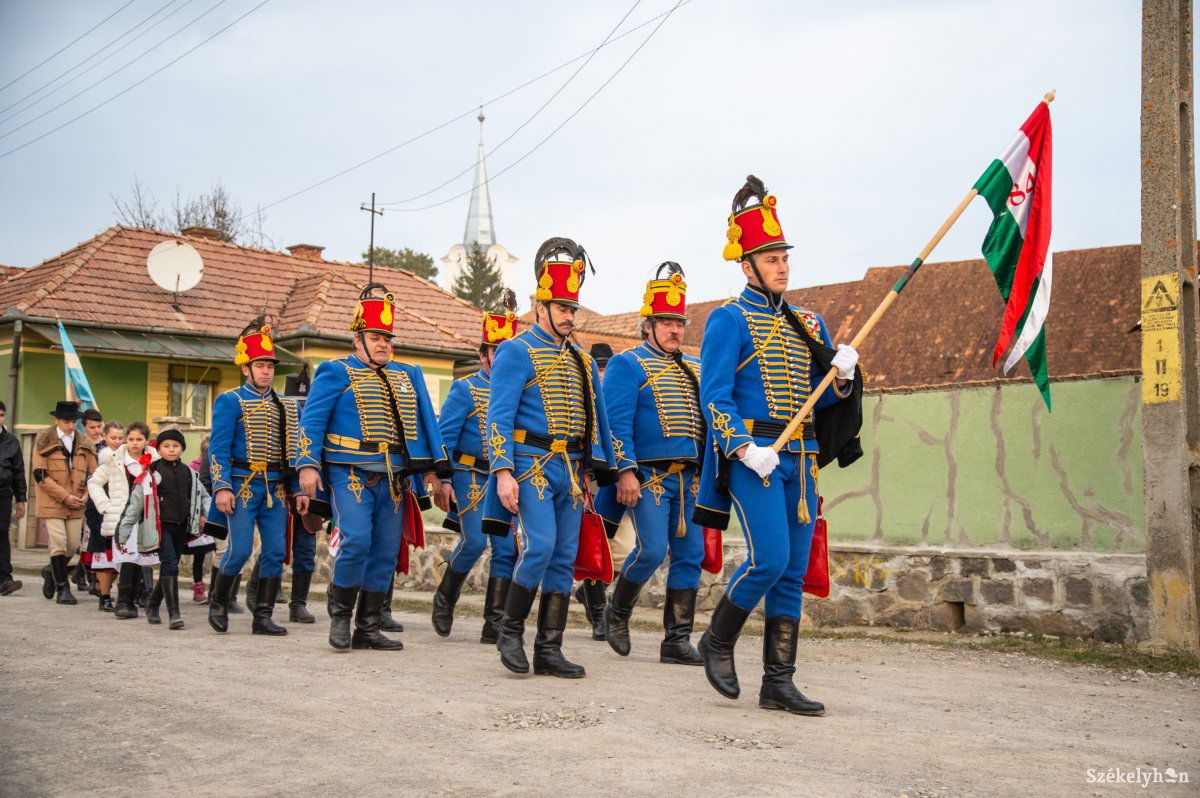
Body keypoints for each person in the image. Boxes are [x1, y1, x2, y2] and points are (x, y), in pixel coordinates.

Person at [694, 176, 863, 716]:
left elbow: (828, 401)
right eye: (770, 258)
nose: (782, 265)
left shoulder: (808, 322)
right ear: (747, 266)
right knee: (768, 559)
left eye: (784, 256)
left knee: (793, 568)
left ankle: (778, 681)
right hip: (756, 459)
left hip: (804, 459)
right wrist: (743, 448)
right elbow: (714, 396)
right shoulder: (728, 319)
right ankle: (717, 640)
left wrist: (842, 377)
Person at [481, 237, 617, 678]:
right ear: (541, 306)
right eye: (561, 308)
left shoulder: (579, 356)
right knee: (538, 546)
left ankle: (549, 648)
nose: (569, 316)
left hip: (572, 471)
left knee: (563, 556)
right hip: (530, 462)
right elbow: (497, 417)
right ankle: (509, 630)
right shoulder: (515, 351)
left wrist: (595, 468)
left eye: (572, 309)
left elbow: (596, 416)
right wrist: (502, 472)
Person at [297, 284, 450, 652]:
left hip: (395, 477)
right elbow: (312, 421)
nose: (383, 343)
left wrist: (432, 472)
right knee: (357, 541)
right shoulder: (335, 372)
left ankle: (367, 627)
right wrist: (306, 465)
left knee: (384, 551)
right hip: (348, 470)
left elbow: (424, 423)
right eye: (375, 336)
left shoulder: (406, 375)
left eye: (386, 337)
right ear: (358, 338)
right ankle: (340, 618)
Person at [596, 263, 706, 666]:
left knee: (690, 555)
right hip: (649, 478)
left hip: (690, 480)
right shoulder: (628, 364)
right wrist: (625, 470)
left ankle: (676, 641)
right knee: (652, 549)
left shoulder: (696, 367)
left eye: (679, 322)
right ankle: (617, 611)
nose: (676, 330)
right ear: (649, 325)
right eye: (666, 322)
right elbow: (616, 423)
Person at [205, 319, 310, 637]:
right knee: (239, 551)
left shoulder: (286, 407)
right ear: (246, 368)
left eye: (269, 365)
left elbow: (291, 454)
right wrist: (221, 487)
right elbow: (218, 449)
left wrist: (297, 490)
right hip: (241, 486)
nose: (265, 371)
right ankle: (218, 602)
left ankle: (262, 616)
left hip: (276, 489)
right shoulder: (229, 401)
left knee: (277, 551)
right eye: (259, 365)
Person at [430, 291, 520, 642]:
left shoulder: (520, 391)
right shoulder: (464, 389)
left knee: (506, 548)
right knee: (473, 542)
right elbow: (444, 439)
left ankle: (494, 622)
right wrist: (443, 480)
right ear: (483, 353)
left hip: (505, 476)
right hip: (469, 474)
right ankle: (445, 597)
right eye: (496, 350)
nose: (501, 357)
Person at [117, 429, 209, 629]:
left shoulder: (190, 474)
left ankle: (152, 604)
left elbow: (203, 499)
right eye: (166, 446)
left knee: (171, 565)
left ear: (182, 449)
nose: (171, 450)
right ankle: (174, 614)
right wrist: (123, 532)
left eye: (176, 446)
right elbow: (134, 506)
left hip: (181, 527)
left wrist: (213, 517)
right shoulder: (150, 474)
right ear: (158, 449)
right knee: (170, 565)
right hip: (159, 528)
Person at [89, 421, 157, 618]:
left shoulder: (154, 460)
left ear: (146, 440)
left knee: (139, 559)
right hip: (123, 517)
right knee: (127, 557)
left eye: (139, 439)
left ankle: (135, 598)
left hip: (146, 518)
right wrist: (105, 506)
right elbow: (94, 483)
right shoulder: (114, 459)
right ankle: (123, 601)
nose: (135, 443)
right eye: (131, 439)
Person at [33, 401, 97, 605]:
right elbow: (40, 475)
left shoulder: (84, 442)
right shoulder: (43, 441)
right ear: (56, 420)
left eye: (74, 421)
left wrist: (86, 494)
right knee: (59, 543)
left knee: (73, 544)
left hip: (77, 502)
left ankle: (50, 571)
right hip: (52, 501)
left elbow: (93, 474)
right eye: (67, 421)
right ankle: (63, 588)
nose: (71, 425)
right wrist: (64, 496)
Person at [572, 343, 615, 640]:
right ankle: (599, 614)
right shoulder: (584, 394)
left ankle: (586, 592)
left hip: (617, 477)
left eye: (606, 368)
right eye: (598, 368)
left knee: (622, 548)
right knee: (592, 543)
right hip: (588, 477)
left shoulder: (620, 392)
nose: (602, 374)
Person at [84, 421, 125, 610]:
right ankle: (105, 597)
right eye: (113, 437)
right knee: (104, 556)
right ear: (105, 437)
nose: (117, 441)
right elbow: (94, 483)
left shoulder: (128, 456)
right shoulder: (104, 457)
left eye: (120, 438)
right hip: (101, 509)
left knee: (119, 558)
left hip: (123, 511)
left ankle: (105, 590)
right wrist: (104, 506)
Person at [74, 408, 105, 595]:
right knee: (79, 539)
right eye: (92, 427)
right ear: (84, 427)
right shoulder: (79, 445)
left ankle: (90, 576)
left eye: (98, 426)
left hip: (100, 495)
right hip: (80, 494)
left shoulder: (105, 446)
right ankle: (82, 572)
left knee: (93, 533)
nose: (96, 430)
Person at [0, 400, 27, 596]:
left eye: (1, 415)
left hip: (3, 493)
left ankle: (5, 579)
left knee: (1, 533)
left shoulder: (11, 441)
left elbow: (18, 472)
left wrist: (21, 498)